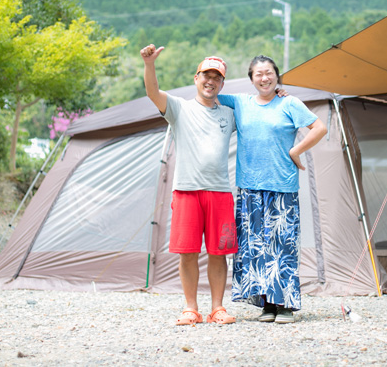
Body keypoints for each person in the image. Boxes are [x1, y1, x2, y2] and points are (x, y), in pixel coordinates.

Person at [217, 55, 327, 324]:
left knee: (282, 246)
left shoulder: (289, 102)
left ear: (277, 76)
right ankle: (267, 305)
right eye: (258, 74)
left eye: (269, 73)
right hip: (250, 189)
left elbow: (320, 127)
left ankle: (285, 306)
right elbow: (211, 93)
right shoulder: (241, 102)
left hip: (282, 186)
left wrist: (295, 150)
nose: (264, 78)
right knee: (255, 248)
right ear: (251, 78)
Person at [140, 44, 238, 326]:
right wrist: (149, 64)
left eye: (216, 77)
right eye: (205, 76)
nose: (210, 81)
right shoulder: (179, 108)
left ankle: (217, 308)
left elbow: (258, 109)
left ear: (222, 83)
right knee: (188, 252)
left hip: (220, 192)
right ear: (196, 78)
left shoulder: (229, 113)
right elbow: (152, 93)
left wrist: (278, 93)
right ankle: (190, 308)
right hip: (186, 191)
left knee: (219, 254)